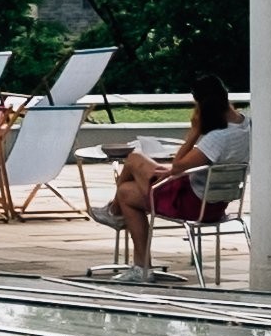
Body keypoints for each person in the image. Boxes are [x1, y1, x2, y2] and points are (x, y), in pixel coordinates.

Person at [106, 78, 247, 276]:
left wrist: (194, 132)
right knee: (135, 165)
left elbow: (178, 165)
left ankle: (116, 214)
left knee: (127, 186)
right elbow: (182, 168)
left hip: (193, 205)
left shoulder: (218, 138)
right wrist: (172, 170)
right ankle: (118, 219)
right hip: (216, 202)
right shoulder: (246, 125)